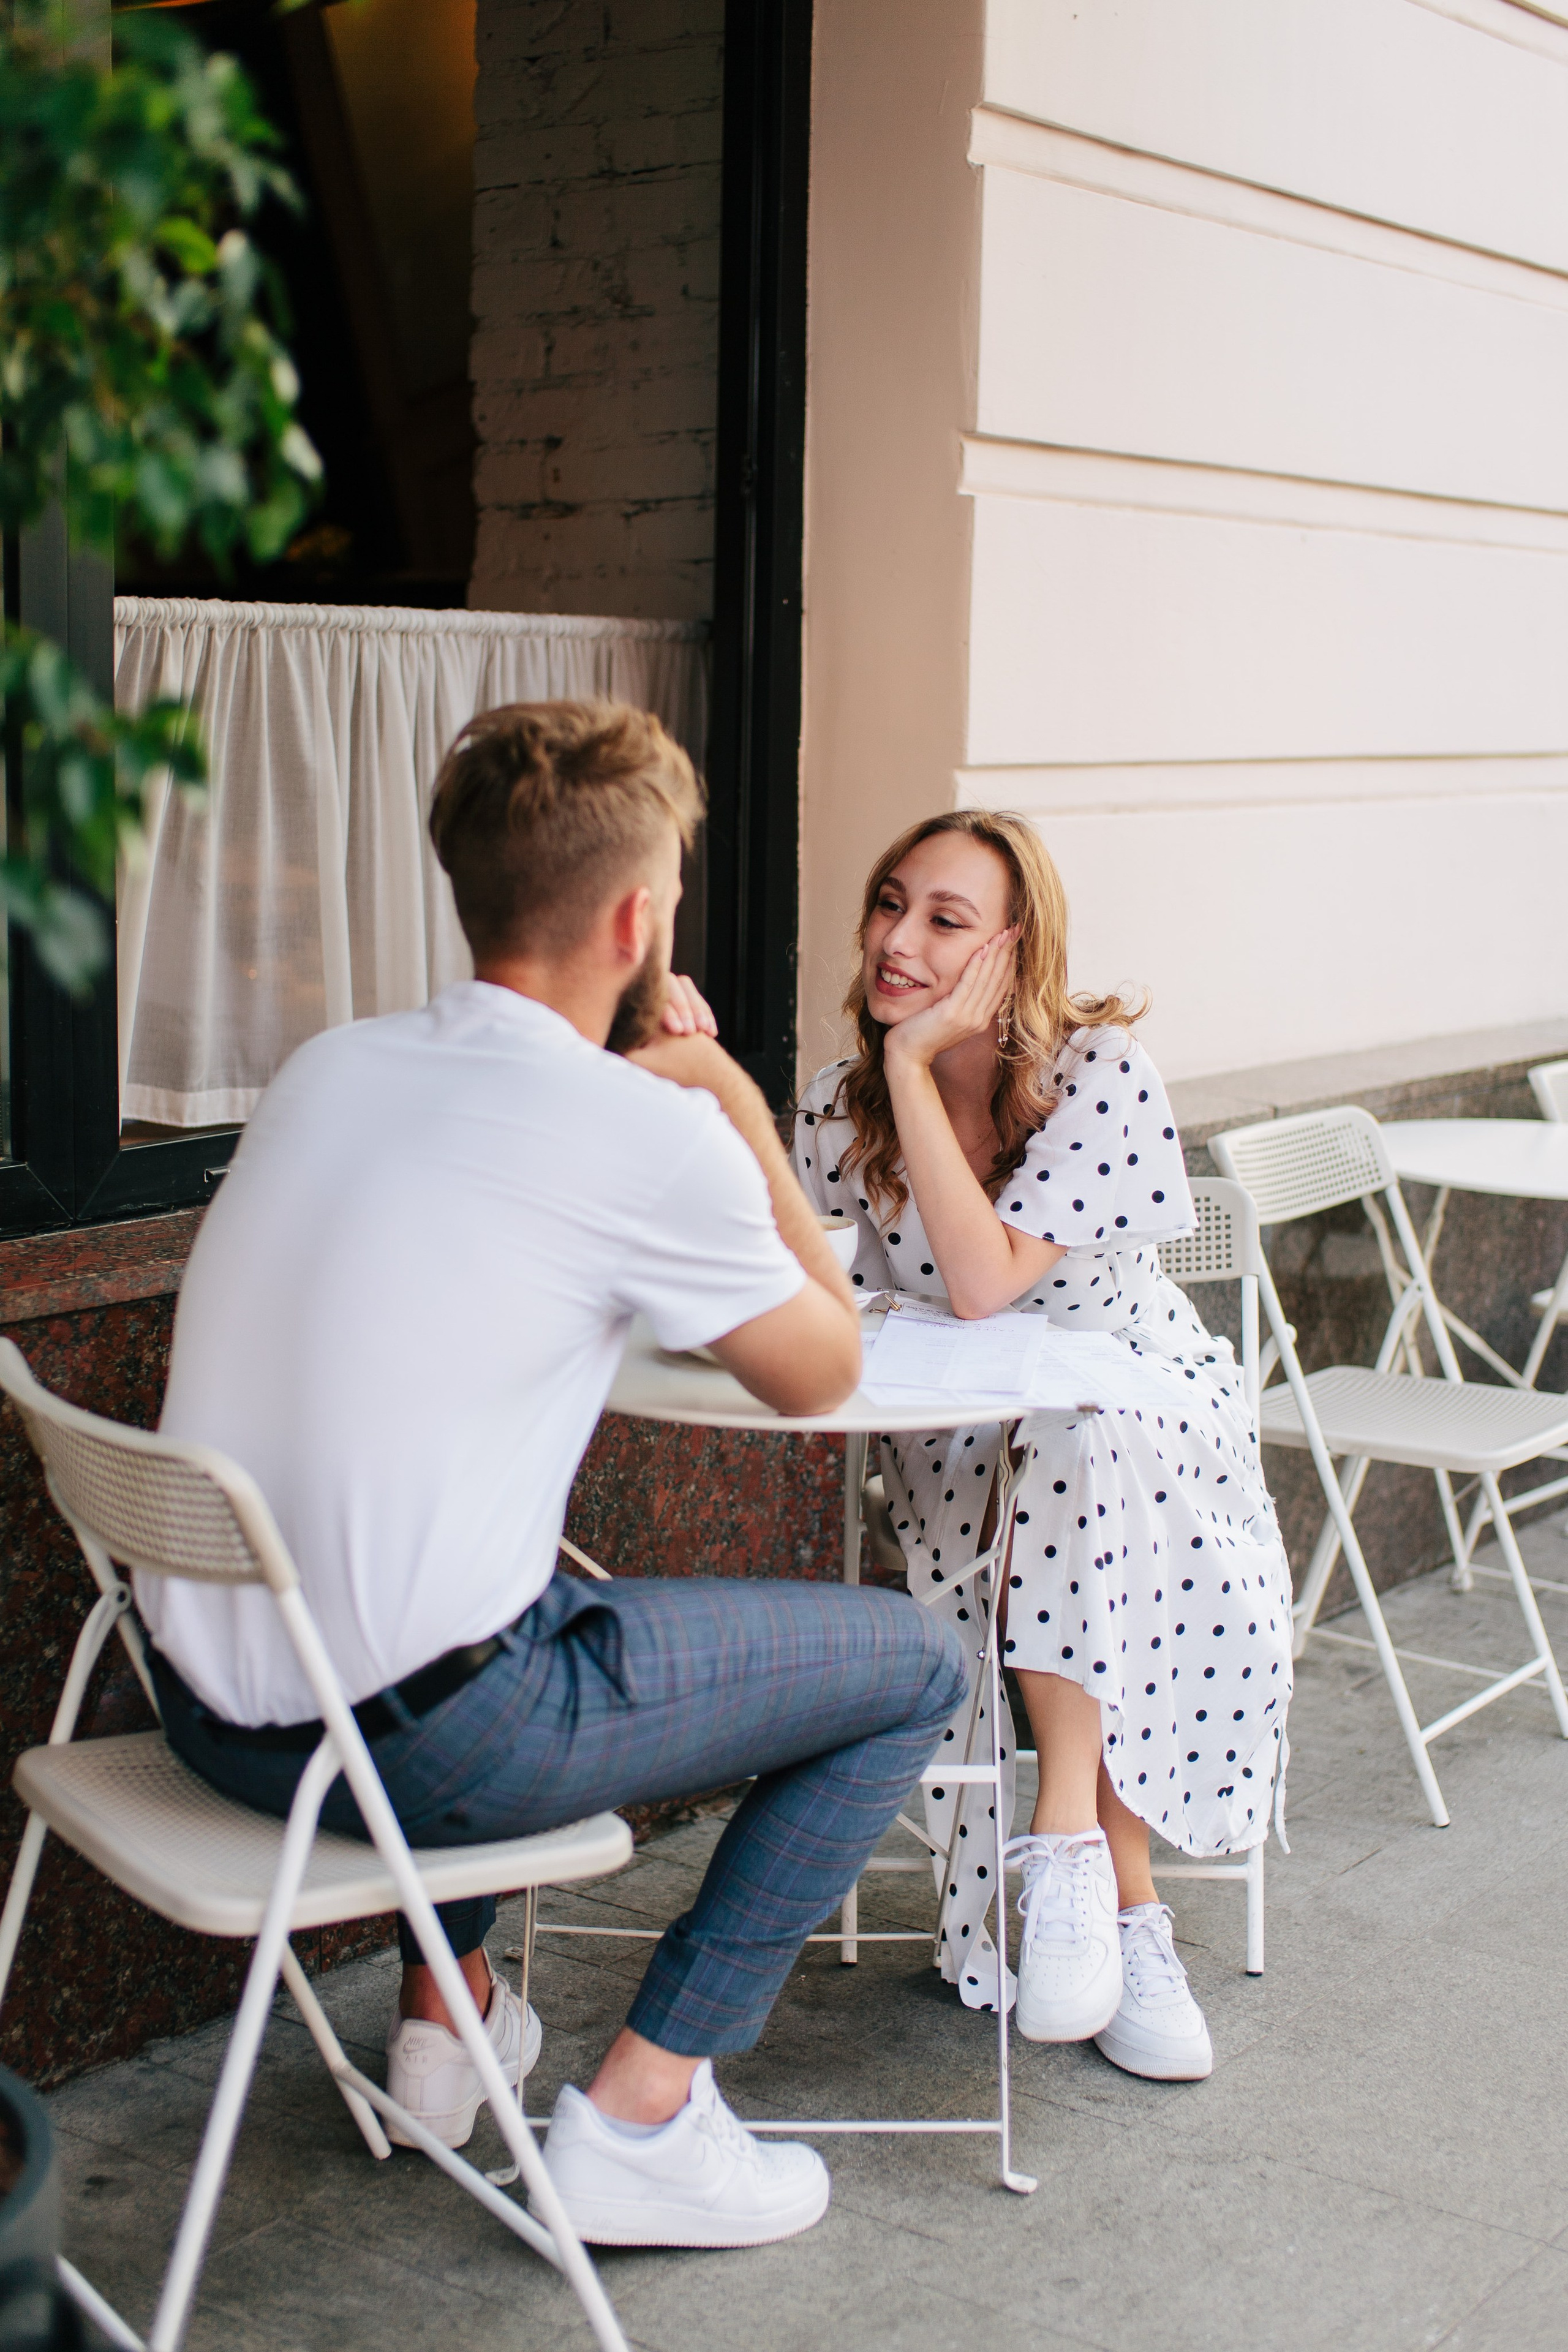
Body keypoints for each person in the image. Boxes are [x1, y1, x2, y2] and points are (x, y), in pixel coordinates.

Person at [137, 703, 967, 2249]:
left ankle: (446, 2019)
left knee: (472, 1564)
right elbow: (822, 1368)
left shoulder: (326, 1068)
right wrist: (725, 1099)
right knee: (917, 1665)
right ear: (638, 921)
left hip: (206, 1716)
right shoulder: (635, 1131)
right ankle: (644, 2119)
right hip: (411, 1754)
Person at [791, 810, 1292, 2081]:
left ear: (1012, 950)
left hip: (1143, 1412)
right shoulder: (835, 1106)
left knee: (1081, 1448)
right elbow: (815, 1289)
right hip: (954, 1433)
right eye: (889, 902)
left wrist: (913, 1066)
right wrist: (900, 1074)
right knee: (1057, 1459)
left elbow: (983, 1284)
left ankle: (1078, 1858)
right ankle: (1124, 1911)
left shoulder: (1098, 1072)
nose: (898, 940)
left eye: (945, 920)